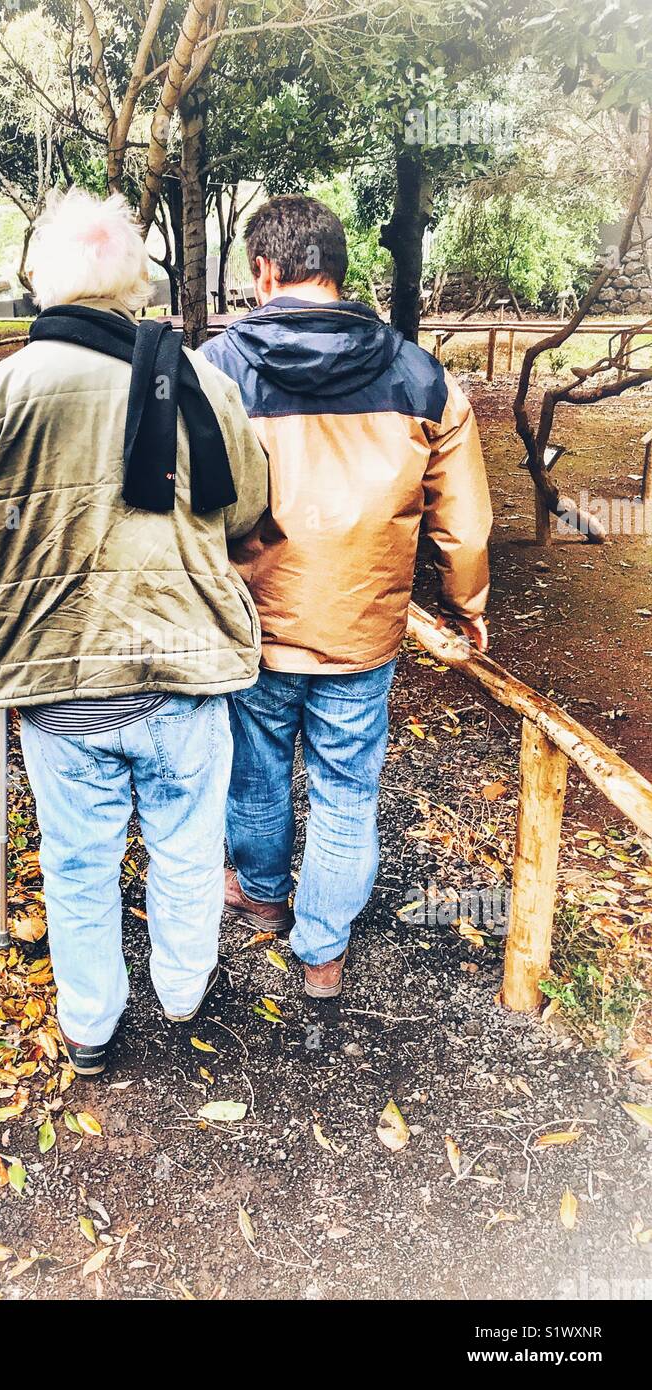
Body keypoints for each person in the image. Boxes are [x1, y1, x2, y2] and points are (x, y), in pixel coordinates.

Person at [0, 190, 268, 1074]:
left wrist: (3, 633)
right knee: (187, 847)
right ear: (137, 287)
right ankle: (184, 990)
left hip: (58, 691)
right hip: (183, 674)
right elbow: (251, 515)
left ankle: (88, 1024)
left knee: (76, 864)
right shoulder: (205, 384)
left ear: (43, 282)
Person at [199, 193, 492, 1000]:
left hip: (252, 622)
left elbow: (176, 498)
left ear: (263, 270)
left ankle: (260, 896)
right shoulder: (418, 373)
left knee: (254, 772)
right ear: (338, 269)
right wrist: (466, 607)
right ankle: (321, 951)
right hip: (363, 630)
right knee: (345, 789)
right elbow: (462, 526)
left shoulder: (215, 370)